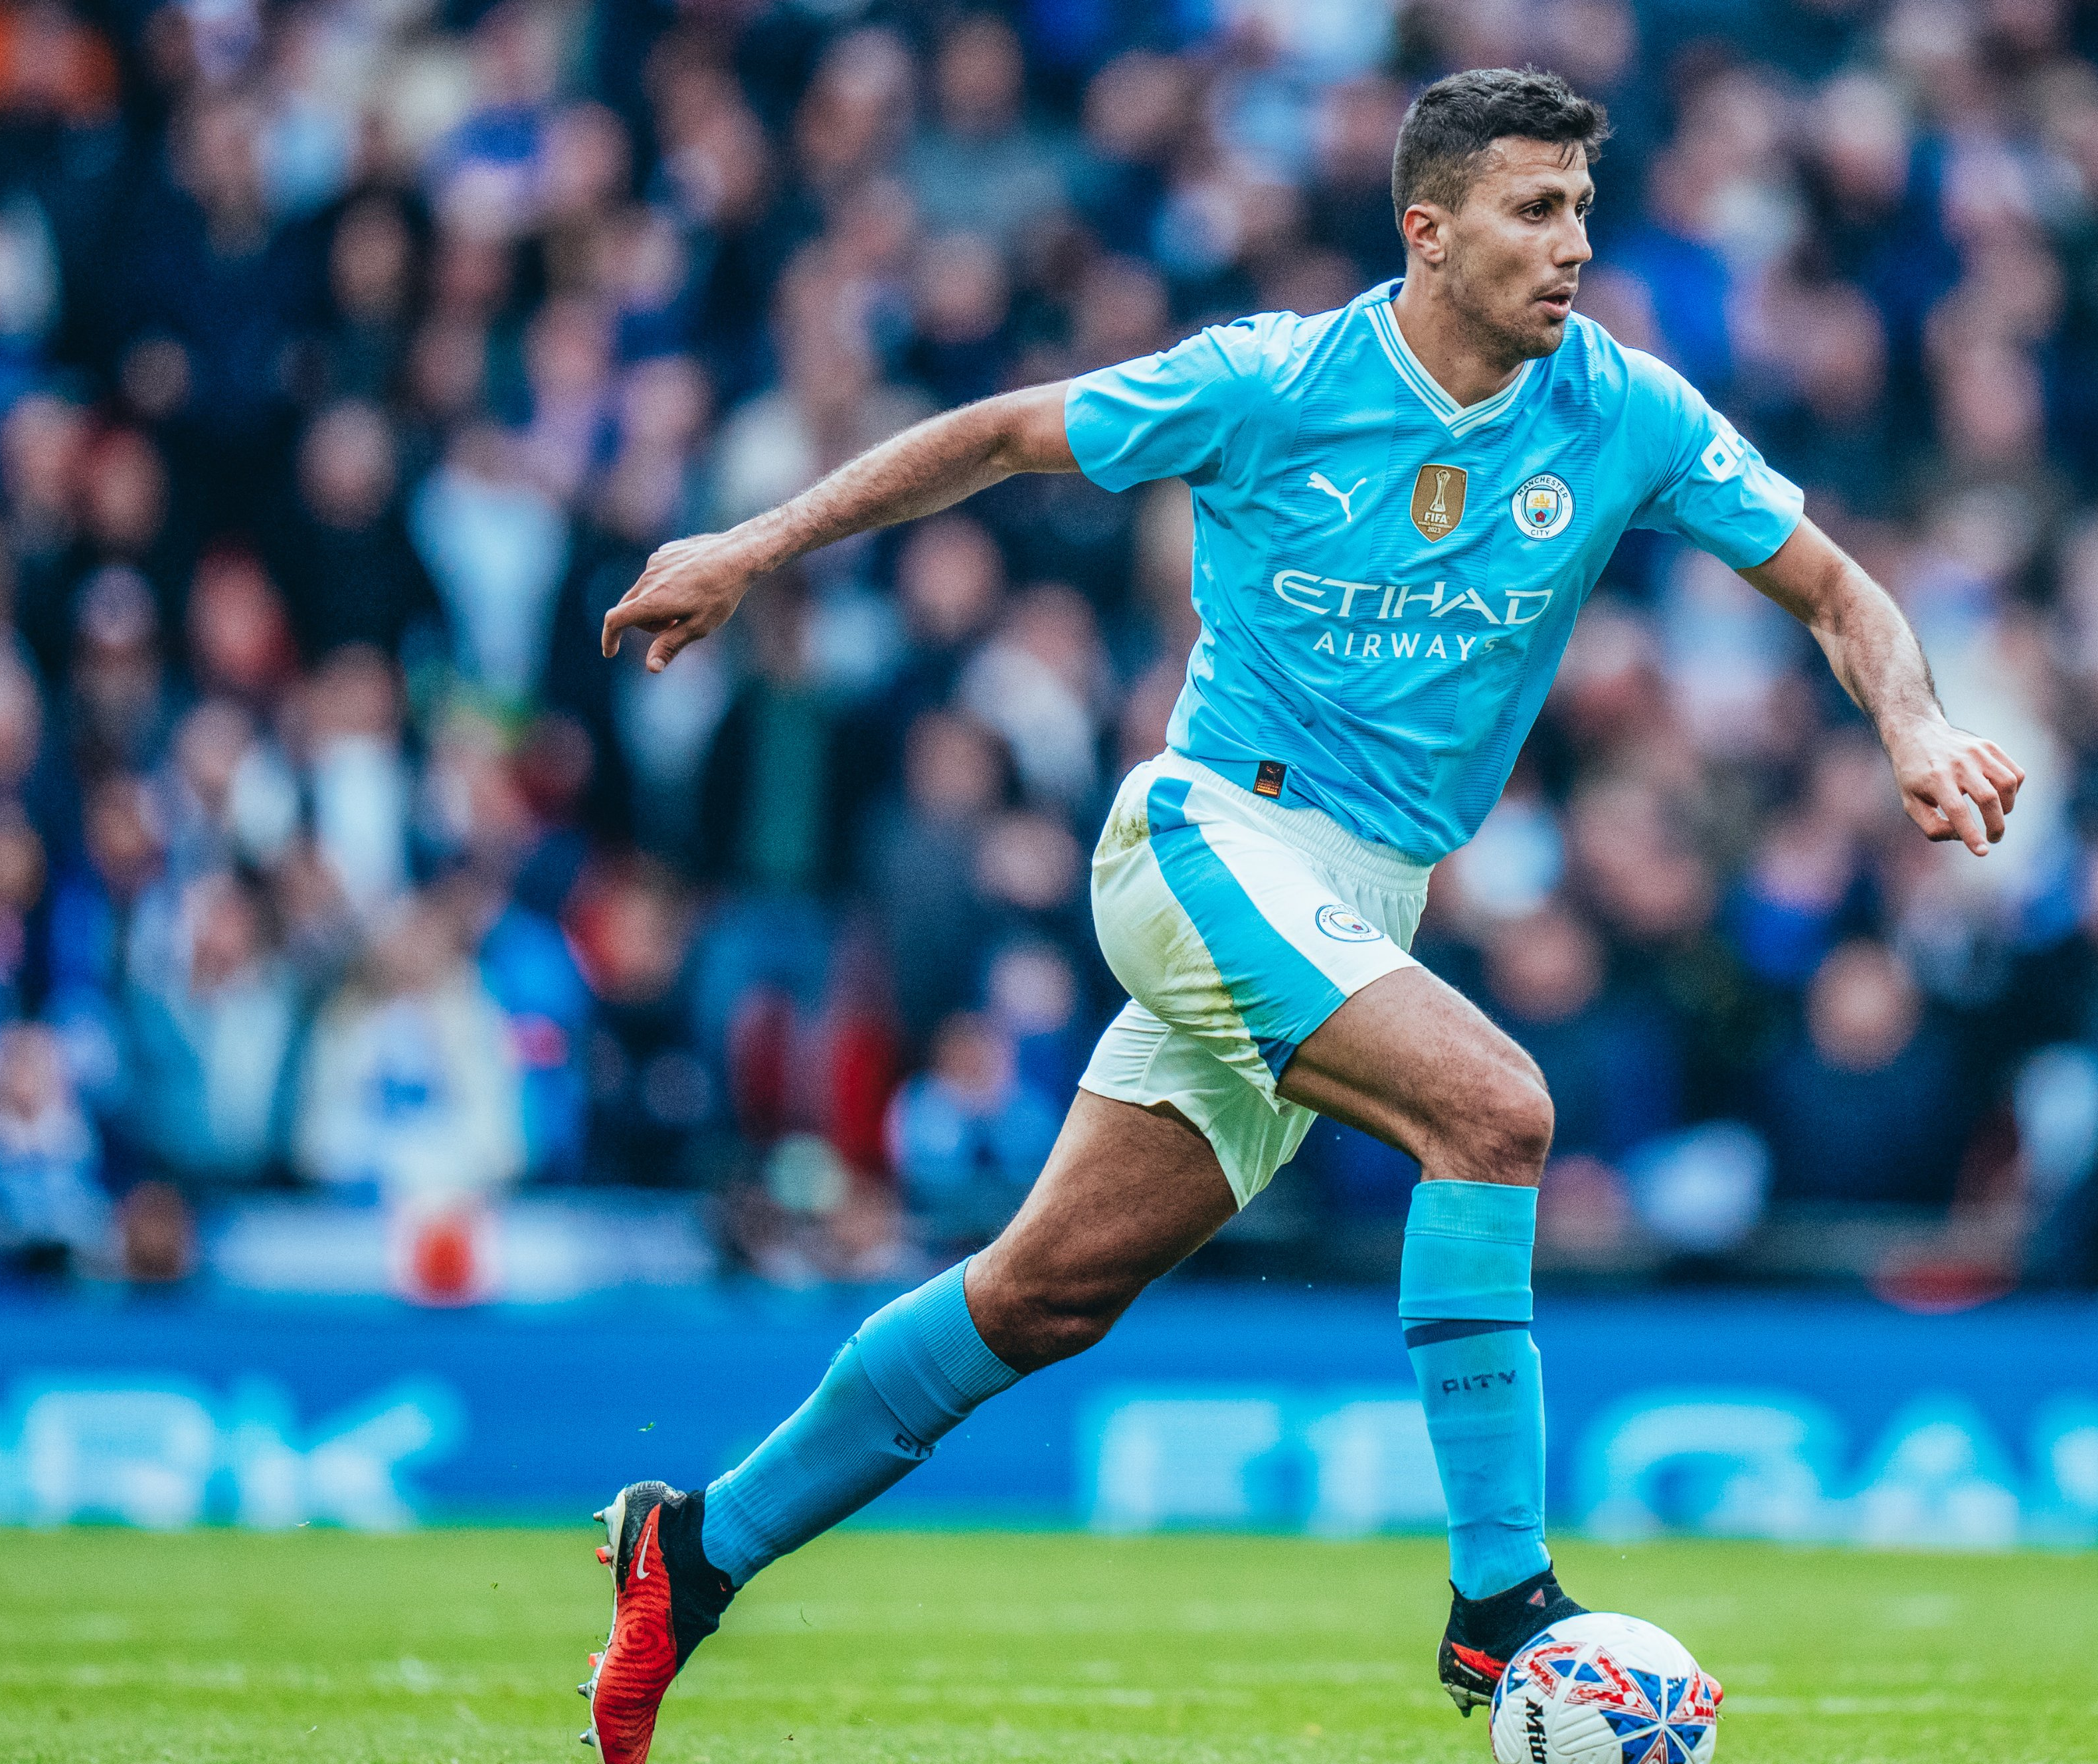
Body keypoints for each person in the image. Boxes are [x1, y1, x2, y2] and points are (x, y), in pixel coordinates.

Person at [569, 68, 2024, 1764]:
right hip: (1205, 836)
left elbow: (1838, 588)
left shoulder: (1621, 410)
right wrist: (749, 545)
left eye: (1580, 208)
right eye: (1533, 210)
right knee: (1495, 1110)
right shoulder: (1270, 378)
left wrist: (1912, 723)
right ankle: (1502, 1606)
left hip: (1358, 904)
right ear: (1427, 230)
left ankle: (698, 1546)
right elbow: (999, 433)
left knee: (1041, 1294)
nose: (1575, 245)